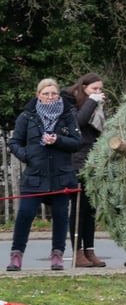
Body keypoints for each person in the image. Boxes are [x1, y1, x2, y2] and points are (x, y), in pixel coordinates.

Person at [7, 79, 82, 271]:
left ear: (58, 95)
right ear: (38, 95)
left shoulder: (67, 116)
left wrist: (58, 140)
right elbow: (14, 143)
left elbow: (76, 142)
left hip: (61, 176)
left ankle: (57, 254)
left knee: (60, 216)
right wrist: (27, 156)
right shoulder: (27, 117)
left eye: (54, 94)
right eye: (46, 93)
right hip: (35, 175)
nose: (50, 97)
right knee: (25, 214)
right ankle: (16, 255)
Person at [65, 72, 107, 268]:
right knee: (78, 208)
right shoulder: (71, 102)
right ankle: (77, 251)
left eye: (100, 89)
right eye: (94, 89)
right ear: (84, 88)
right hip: (77, 161)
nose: (98, 92)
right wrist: (91, 102)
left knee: (91, 210)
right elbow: (78, 123)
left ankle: (90, 250)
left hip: (94, 161)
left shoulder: (96, 107)